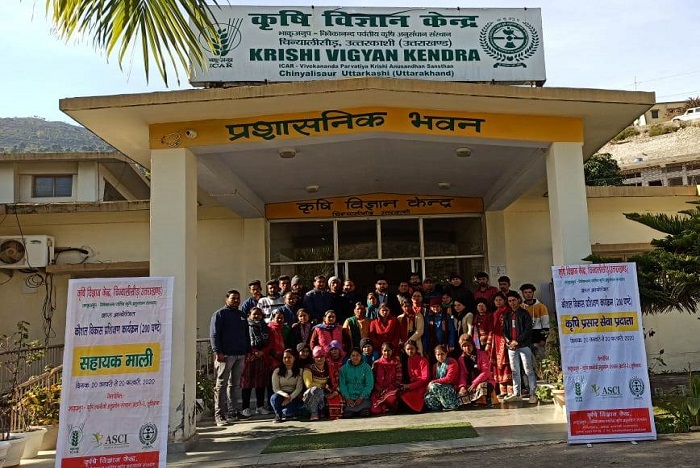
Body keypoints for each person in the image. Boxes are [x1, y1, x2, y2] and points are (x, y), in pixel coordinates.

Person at [209, 289, 250, 426]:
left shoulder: (242, 315)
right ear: (226, 299)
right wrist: (217, 352)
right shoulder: (219, 314)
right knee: (221, 385)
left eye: (238, 298)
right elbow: (214, 334)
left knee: (235, 385)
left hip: (240, 355)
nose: (236, 300)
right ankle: (219, 415)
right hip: (225, 355)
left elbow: (246, 334)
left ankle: (233, 412)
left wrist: (246, 350)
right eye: (233, 298)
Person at [503, 291, 538, 403]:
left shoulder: (525, 313)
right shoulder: (507, 315)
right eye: (509, 301)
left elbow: (528, 330)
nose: (512, 303)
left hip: (524, 346)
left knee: (528, 370)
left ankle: (533, 394)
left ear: (518, 300)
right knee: (515, 371)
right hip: (511, 348)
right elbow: (504, 331)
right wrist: (509, 342)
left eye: (514, 300)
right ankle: (516, 394)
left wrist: (517, 341)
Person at [240, 307, 271, 417]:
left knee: (261, 383)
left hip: (262, 357)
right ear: (249, 315)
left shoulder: (265, 327)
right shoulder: (245, 326)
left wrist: (262, 352)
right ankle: (245, 408)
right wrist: (253, 352)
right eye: (254, 314)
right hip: (249, 357)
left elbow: (269, 342)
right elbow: (244, 340)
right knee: (247, 383)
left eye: (259, 314)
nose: (257, 316)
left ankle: (260, 406)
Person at [302, 346, 342, 420]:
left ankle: (323, 411)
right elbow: (309, 384)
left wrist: (335, 392)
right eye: (317, 357)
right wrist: (323, 386)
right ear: (313, 358)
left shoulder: (329, 368)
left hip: (325, 395)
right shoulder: (308, 368)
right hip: (310, 397)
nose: (319, 359)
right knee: (316, 390)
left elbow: (337, 382)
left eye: (322, 356)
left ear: (325, 357)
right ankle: (314, 413)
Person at [457, 337, 495, 408]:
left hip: (484, 381)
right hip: (470, 384)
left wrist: (475, 383)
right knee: (461, 394)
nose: (467, 348)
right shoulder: (461, 359)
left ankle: (488, 401)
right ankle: (472, 402)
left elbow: (485, 372)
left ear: (473, 344)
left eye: (469, 345)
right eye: (464, 346)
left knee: (483, 386)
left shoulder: (482, 354)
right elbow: (462, 375)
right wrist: (462, 386)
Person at [270, 349, 304, 422]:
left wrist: (290, 397)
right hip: (281, 394)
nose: (287, 360)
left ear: (294, 358)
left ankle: (289, 411)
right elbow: (275, 388)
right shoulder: (277, 371)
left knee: (289, 413)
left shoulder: (300, 371)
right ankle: (278, 415)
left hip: (293, 395)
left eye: (289, 357)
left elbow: (299, 388)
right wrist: (285, 395)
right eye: (285, 358)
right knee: (274, 398)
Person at [339, 347, 374, 418]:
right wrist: (347, 398)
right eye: (353, 355)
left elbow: (369, 384)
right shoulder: (343, 369)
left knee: (365, 413)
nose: (355, 357)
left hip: (363, 398)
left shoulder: (367, 367)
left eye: (357, 355)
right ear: (350, 357)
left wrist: (361, 397)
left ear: (361, 356)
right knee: (347, 415)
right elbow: (342, 385)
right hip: (349, 398)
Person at [424, 344, 460, 411]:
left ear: (446, 354)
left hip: (451, 388)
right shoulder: (435, 366)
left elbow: (449, 379)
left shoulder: (452, 362)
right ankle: (441, 407)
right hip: (440, 388)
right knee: (428, 397)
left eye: (442, 354)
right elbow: (435, 379)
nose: (440, 356)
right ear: (435, 355)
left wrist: (433, 382)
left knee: (433, 386)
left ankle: (451, 405)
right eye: (438, 355)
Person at [491, 293, 513, 399]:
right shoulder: (495, 313)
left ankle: (510, 391)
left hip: (505, 340)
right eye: (496, 300)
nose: (498, 302)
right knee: (498, 365)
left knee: (506, 364)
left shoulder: (507, 311)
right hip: (496, 340)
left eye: (500, 300)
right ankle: (502, 390)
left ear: (504, 300)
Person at [519, 283, 550, 360]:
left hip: (538, 340)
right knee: (526, 362)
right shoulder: (520, 307)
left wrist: (543, 339)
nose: (528, 294)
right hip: (525, 341)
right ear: (522, 294)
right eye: (525, 292)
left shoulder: (541, 307)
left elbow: (546, 324)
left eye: (530, 292)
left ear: (533, 293)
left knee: (540, 361)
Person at [370, 342, 403, 415]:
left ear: (392, 351)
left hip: (391, 390)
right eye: (385, 350)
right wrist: (378, 388)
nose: (387, 353)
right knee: (375, 410)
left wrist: (387, 389)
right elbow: (372, 379)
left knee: (390, 397)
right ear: (381, 351)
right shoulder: (376, 363)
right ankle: (385, 407)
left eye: (389, 350)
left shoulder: (396, 363)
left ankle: (390, 406)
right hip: (379, 390)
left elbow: (398, 380)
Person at [399, 340, 429, 413]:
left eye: (412, 349)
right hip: (412, 386)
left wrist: (409, 386)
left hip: (421, 386)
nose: (410, 351)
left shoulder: (423, 360)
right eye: (408, 349)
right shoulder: (408, 360)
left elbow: (425, 379)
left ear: (416, 349)